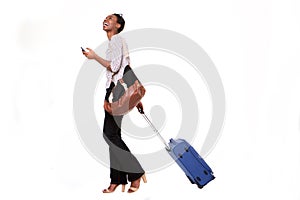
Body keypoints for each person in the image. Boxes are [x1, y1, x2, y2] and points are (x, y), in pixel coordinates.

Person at [82, 13, 146, 193]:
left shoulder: (117, 40)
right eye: (106, 18)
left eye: (110, 19)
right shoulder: (116, 43)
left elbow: (115, 67)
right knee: (113, 136)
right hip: (117, 90)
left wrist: (94, 57)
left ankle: (135, 173)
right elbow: (126, 68)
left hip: (116, 91)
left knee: (109, 135)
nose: (106, 20)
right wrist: (136, 98)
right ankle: (117, 179)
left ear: (117, 25)